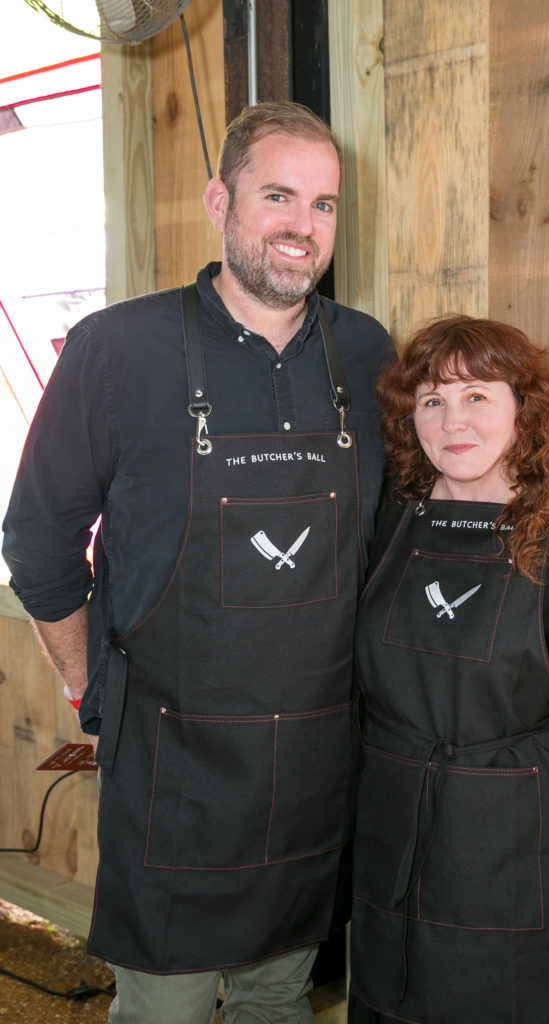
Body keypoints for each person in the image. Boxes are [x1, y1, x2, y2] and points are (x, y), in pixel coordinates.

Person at [2, 101, 394, 1024]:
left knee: (278, 996)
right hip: (175, 764)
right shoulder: (119, 349)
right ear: (219, 201)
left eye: (325, 204)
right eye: (278, 196)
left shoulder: (366, 351)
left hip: (310, 760)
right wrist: (89, 688)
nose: (304, 225)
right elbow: (36, 541)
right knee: (168, 1007)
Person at [347, 316, 549, 1023]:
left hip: (520, 870)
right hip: (389, 859)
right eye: (430, 400)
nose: (451, 420)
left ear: (525, 408)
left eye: (476, 397)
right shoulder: (392, 521)